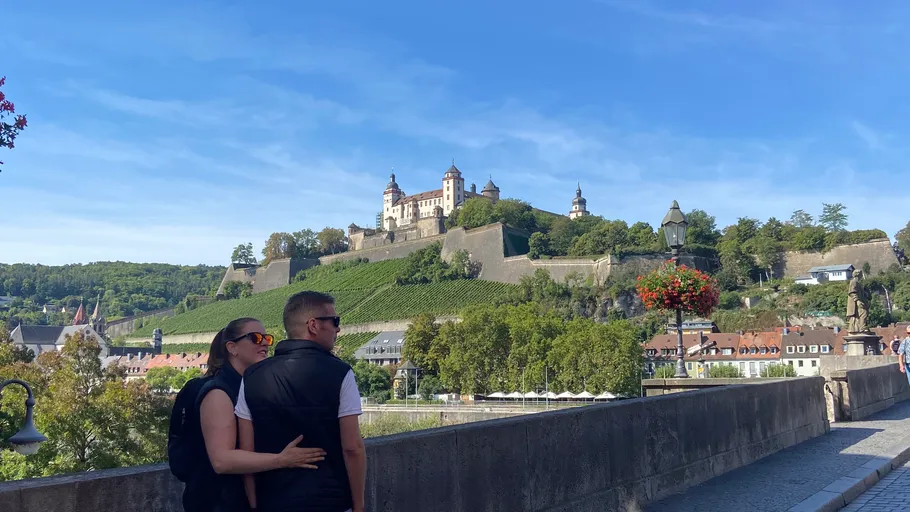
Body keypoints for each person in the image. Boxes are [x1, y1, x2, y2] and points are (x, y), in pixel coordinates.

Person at [235, 292, 367, 512]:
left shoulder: (251, 376)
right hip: (330, 502)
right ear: (313, 325)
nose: (338, 329)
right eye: (335, 321)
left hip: (273, 501)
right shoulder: (340, 372)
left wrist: (255, 503)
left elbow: (247, 450)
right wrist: (359, 506)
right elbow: (352, 447)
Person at [196, 317, 328, 512]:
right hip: (225, 502)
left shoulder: (252, 386)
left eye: (267, 338)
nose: (265, 342)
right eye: (256, 338)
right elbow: (221, 461)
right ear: (232, 348)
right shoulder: (219, 393)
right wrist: (282, 460)